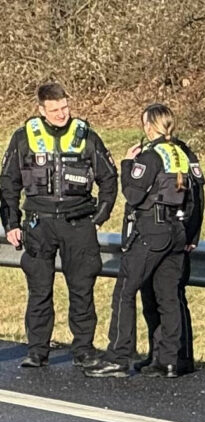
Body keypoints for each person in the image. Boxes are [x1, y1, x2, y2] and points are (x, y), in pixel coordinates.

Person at [1, 82, 119, 368]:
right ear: (41, 110)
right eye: (54, 110)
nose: (61, 114)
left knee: (82, 289)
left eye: (65, 107)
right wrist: (11, 223)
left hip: (78, 223)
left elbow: (109, 178)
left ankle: (84, 350)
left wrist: (99, 217)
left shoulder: (86, 135)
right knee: (39, 290)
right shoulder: (24, 137)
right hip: (39, 224)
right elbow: (8, 183)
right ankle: (37, 351)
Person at [91, 104, 203, 378]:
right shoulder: (183, 153)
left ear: (149, 127)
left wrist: (127, 164)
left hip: (152, 230)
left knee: (125, 291)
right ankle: (169, 360)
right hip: (177, 231)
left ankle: (118, 357)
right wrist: (191, 234)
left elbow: (133, 194)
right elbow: (196, 197)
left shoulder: (151, 156)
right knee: (168, 296)